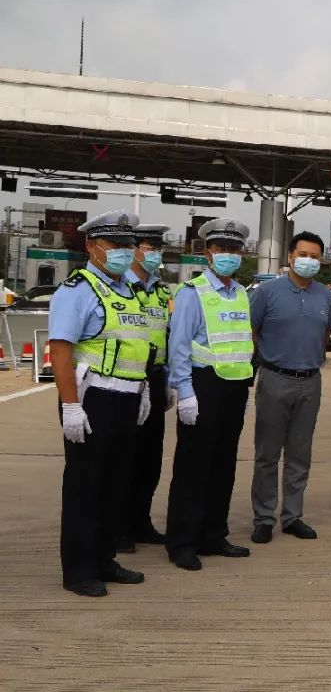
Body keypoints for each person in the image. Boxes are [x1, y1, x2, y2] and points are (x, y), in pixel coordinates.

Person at [48, 211, 153, 597]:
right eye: (116, 245)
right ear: (92, 247)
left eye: (129, 245)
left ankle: (104, 558)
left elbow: (137, 345)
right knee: (85, 486)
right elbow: (60, 351)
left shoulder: (128, 290)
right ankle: (78, 570)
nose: (125, 252)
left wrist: (142, 390)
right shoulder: (78, 289)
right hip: (93, 400)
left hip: (126, 399)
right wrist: (70, 406)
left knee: (115, 484)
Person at [165, 218, 254, 571]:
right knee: (193, 467)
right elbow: (179, 345)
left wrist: (245, 391)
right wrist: (184, 391)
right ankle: (182, 541)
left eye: (234, 250)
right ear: (207, 254)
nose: (229, 255)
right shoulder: (192, 293)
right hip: (202, 387)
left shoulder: (242, 293)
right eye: (221, 250)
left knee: (223, 465)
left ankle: (213, 534)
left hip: (233, 388)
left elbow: (242, 343)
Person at [249, 231, 331, 544]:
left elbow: (325, 335)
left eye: (315, 256)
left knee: (300, 454)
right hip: (274, 379)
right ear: (289, 257)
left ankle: (293, 516)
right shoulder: (266, 292)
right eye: (303, 254)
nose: (309, 261)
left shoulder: (325, 295)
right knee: (267, 454)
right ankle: (263, 518)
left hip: (310, 381)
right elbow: (253, 330)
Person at [117, 223, 174, 551]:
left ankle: (141, 521)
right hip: (127, 378)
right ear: (132, 249)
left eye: (157, 248)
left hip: (155, 377)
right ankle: (119, 526)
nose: (153, 253)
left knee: (151, 457)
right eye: (147, 247)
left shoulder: (162, 291)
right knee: (127, 455)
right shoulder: (121, 286)